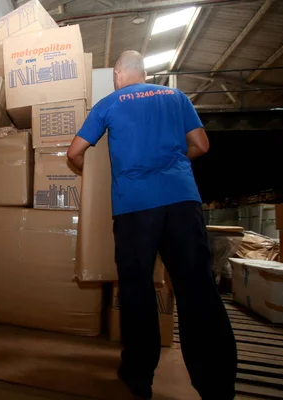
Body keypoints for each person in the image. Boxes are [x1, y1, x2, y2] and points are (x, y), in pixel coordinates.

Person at [67, 51, 237, 399]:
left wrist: (92, 175)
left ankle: (139, 377)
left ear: (117, 74)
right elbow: (201, 145)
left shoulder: (109, 103)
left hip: (135, 207)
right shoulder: (177, 97)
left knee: (137, 290)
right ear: (144, 73)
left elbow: (74, 152)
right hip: (182, 201)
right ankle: (217, 386)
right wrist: (171, 164)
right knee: (198, 290)